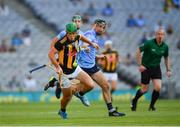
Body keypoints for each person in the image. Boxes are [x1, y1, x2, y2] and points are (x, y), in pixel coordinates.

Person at [48, 22, 99, 119]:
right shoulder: (61, 43)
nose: (72, 36)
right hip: (64, 73)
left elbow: (81, 37)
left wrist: (91, 43)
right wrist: (57, 67)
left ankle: (79, 94)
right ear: (66, 32)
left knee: (90, 85)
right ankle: (62, 110)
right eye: (70, 33)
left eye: (73, 33)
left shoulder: (77, 36)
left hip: (75, 68)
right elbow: (50, 54)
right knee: (67, 97)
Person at [77, 19, 125, 117]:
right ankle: (57, 83)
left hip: (92, 66)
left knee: (106, 86)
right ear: (95, 25)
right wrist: (87, 45)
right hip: (83, 67)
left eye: (104, 28)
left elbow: (90, 52)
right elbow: (85, 45)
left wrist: (98, 56)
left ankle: (111, 110)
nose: (102, 30)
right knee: (73, 87)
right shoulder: (90, 34)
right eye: (101, 27)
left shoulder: (94, 36)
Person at [131, 28, 172, 111]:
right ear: (155, 35)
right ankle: (134, 100)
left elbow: (166, 57)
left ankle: (152, 106)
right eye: (158, 34)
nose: (160, 36)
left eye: (162, 34)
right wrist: (140, 65)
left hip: (156, 68)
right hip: (146, 68)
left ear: (164, 35)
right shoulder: (149, 43)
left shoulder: (165, 46)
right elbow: (138, 51)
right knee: (144, 90)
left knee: (158, 87)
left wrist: (168, 69)